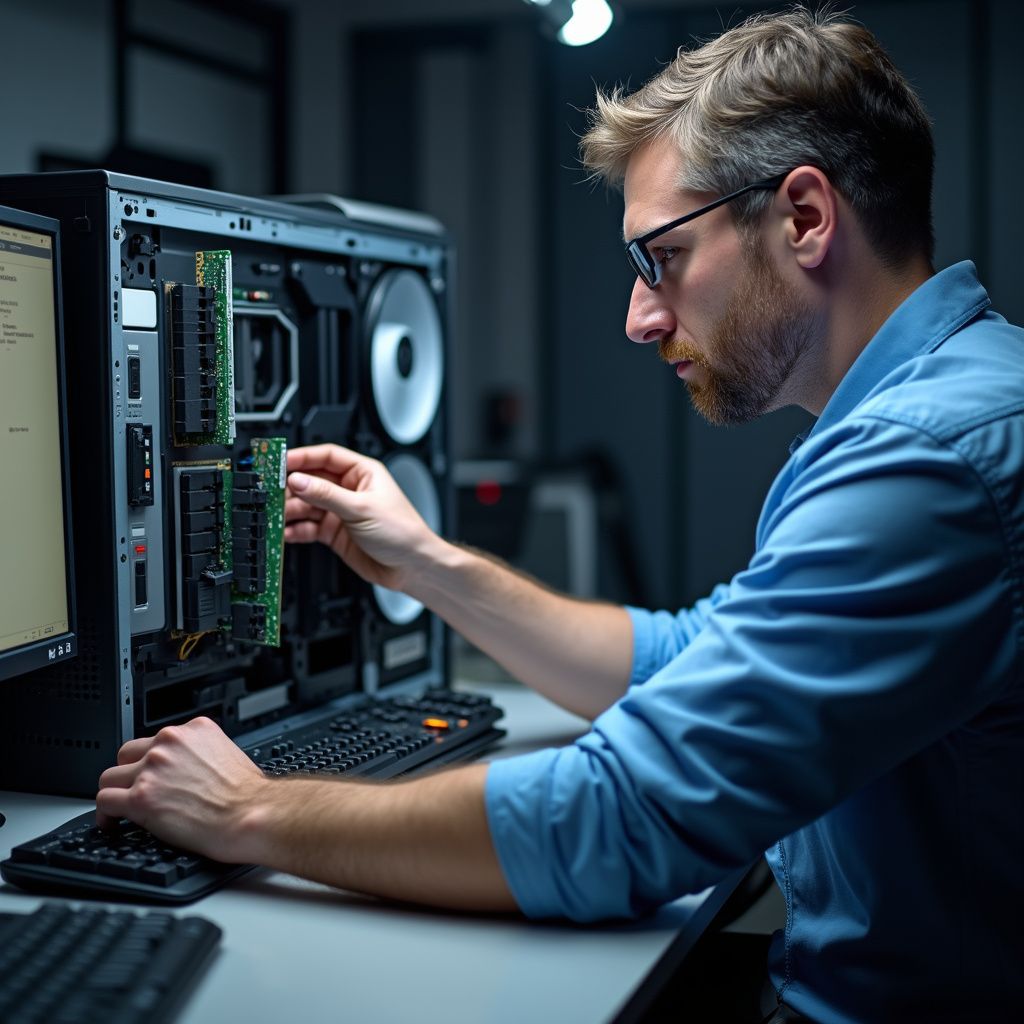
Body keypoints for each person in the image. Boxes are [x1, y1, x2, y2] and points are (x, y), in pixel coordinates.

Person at [96, 8, 1023, 1022]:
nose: (639, 318)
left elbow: (623, 817)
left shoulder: (924, 459)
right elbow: (688, 657)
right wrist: (427, 564)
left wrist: (250, 809)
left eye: (657, 259)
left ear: (803, 216)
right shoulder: (936, 409)